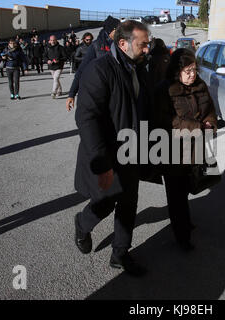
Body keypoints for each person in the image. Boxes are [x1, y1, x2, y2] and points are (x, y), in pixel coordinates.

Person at [73, 20, 150, 277]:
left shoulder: (140, 69)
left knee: (128, 203)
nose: (147, 50)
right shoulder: (99, 70)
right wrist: (102, 162)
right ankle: (83, 224)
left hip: (133, 151)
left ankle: (120, 254)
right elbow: (87, 118)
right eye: (143, 45)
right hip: (107, 153)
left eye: (148, 44)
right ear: (123, 43)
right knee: (104, 202)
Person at [153, 48, 217, 251]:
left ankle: (185, 222)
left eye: (194, 70)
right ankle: (182, 237)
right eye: (187, 71)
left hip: (195, 147)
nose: (192, 75)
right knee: (176, 195)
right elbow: (166, 121)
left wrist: (210, 124)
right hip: (172, 150)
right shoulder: (164, 89)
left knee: (190, 186)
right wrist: (197, 127)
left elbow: (210, 110)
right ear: (176, 70)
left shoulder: (201, 85)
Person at [66, 16, 120, 111]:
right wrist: (72, 94)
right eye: (118, 29)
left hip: (117, 91)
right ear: (110, 30)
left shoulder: (121, 44)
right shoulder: (96, 46)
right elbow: (81, 70)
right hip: (100, 90)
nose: (121, 32)